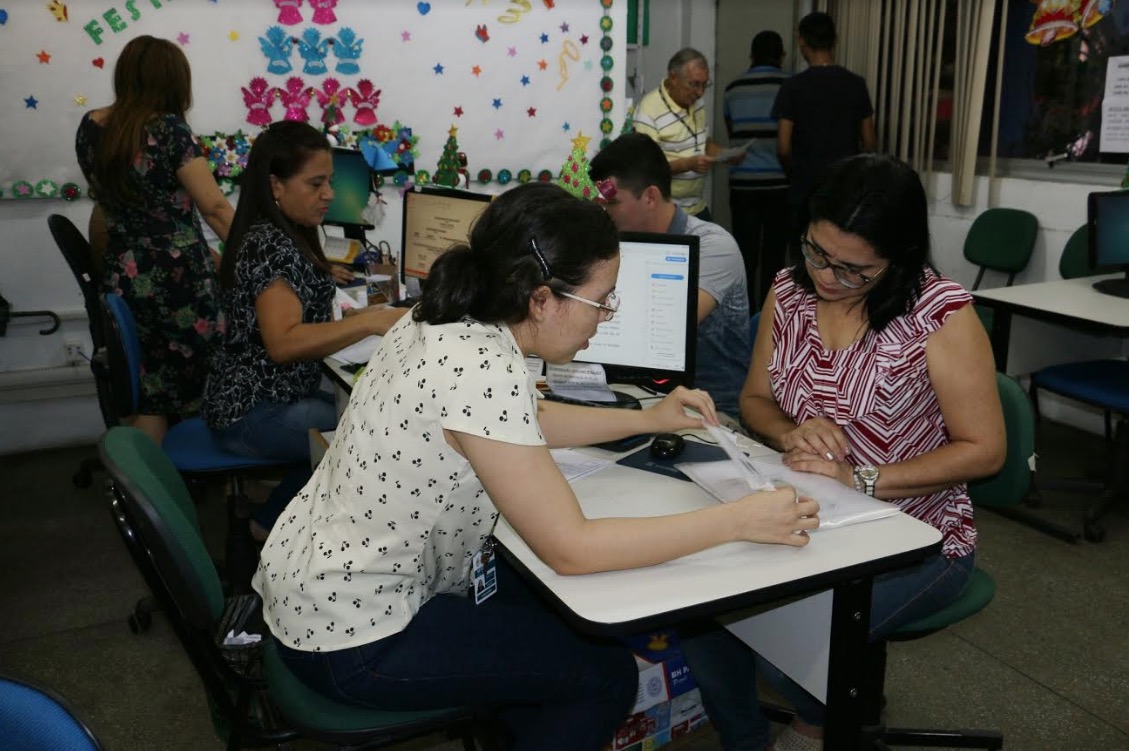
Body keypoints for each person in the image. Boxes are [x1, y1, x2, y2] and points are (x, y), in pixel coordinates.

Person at [252, 182, 819, 751]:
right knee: (603, 675)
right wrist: (739, 521)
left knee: (551, 618)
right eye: (603, 301)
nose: (606, 317)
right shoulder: (480, 368)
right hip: (353, 638)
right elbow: (573, 549)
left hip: (312, 586)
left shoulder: (443, 313)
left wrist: (649, 420)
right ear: (542, 298)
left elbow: (525, 418)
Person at [678, 154, 1006, 751]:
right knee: (698, 612)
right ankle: (747, 739)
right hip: (807, 519)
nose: (827, 277)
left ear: (898, 259)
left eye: (855, 270)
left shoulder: (941, 314)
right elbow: (754, 400)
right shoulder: (788, 290)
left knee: (783, 652)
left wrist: (861, 479)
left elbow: (985, 452)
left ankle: (814, 723)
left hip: (920, 539)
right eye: (816, 252)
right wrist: (789, 432)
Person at [202, 120, 405, 468]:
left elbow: (298, 317)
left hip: (262, 398)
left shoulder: (282, 233)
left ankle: (270, 520)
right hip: (255, 412)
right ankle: (276, 520)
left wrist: (357, 318)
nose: (330, 194)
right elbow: (284, 343)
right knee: (380, 434)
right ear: (276, 186)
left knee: (367, 411)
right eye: (316, 184)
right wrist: (372, 321)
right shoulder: (271, 247)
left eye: (329, 181)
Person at [75, 35, 234, 445]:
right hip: (177, 281)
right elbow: (213, 207)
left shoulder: (91, 126)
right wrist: (256, 252)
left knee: (150, 392)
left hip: (124, 275)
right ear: (173, 81)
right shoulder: (168, 129)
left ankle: (154, 494)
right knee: (216, 371)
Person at [589, 132, 751, 422]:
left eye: (611, 203)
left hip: (709, 409)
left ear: (650, 196)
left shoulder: (713, 246)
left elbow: (663, 331)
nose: (602, 211)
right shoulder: (614, 242)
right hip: (633, 396)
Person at [772, 12, 877, 250]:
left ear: (801, 41)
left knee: (804, 257)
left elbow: (783, 147)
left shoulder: (793, 87)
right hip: (847, 188)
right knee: (841, 256)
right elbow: (870, 143)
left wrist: (794, 172)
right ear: (836, 39)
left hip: (805, 187)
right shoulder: (856, 84)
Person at [723, 30, 791, 311]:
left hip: (743, 185)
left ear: (751, 56)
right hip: (779, 183)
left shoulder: (732, 89)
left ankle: (746, 313)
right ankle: (769, 316)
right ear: (782, 56)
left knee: (746, 255)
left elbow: (732, 134)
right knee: (775, 257)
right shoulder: (791, 85)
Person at [632, 48, 728, 221]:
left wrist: (726, 155)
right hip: (666, 211)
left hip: (697, 206)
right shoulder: (648, 110)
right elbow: (645, 169)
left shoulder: (697, 103)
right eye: (694, 84)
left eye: (705, 85)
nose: (700, 92)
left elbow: (702, 142)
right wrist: (687, 164)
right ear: (673, 78)